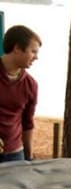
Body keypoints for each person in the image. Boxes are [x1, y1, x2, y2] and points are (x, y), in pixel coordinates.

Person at [0, 25, 41, 162]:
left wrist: (28, 158)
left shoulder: (31, 85)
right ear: (17, 48)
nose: (36, 57)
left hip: (15, 155)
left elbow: (27, 123)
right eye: (33, 51)